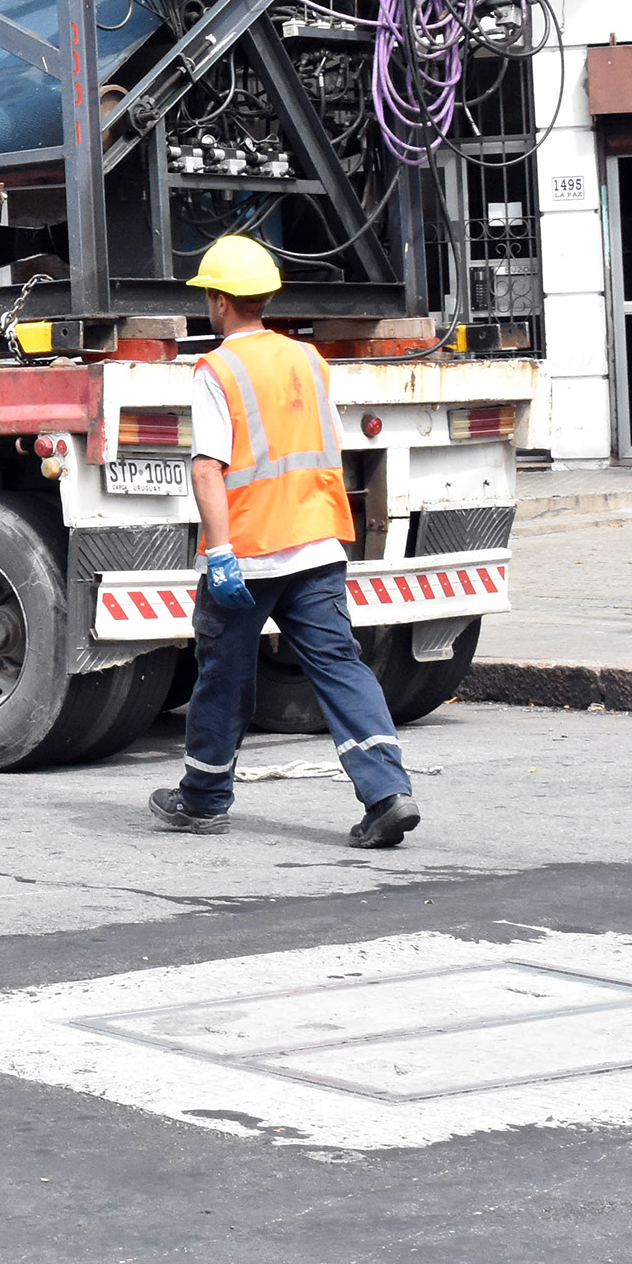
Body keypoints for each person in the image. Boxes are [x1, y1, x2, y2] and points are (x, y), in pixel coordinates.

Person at [152, 234, 420, 848]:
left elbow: (206, 468)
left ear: (219, 302)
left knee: (224, 676)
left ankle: (204, 798)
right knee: (340, 666)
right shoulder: (309, 360)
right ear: (266, 296)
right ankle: (387, 794)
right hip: (319, 544)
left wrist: (218, 555)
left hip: (247, 555)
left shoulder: (217, 368)